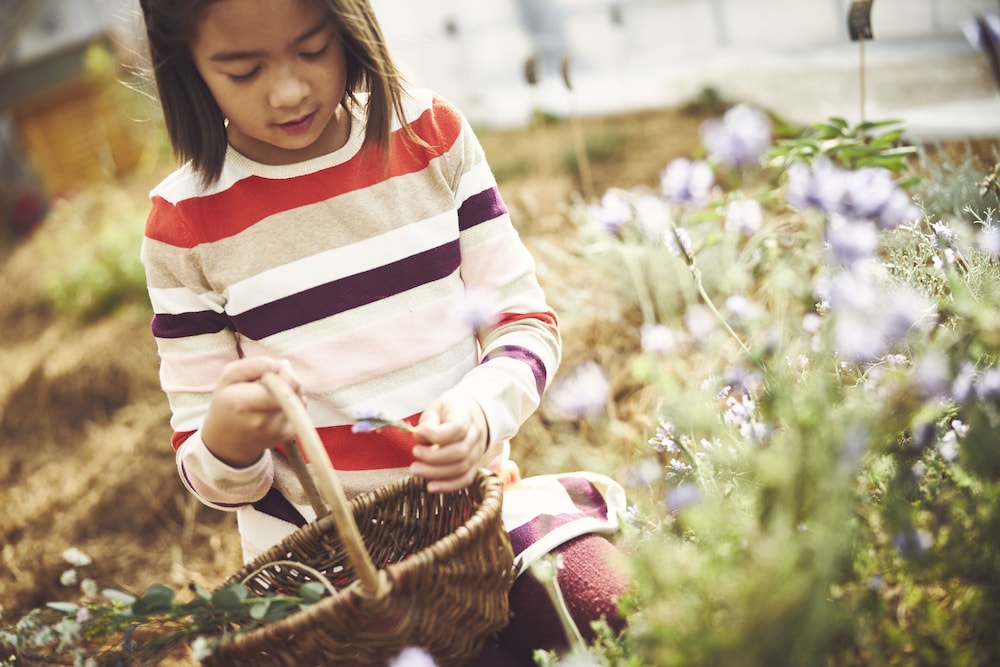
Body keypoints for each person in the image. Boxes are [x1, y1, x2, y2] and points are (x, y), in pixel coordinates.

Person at [138, 0, 628, 663]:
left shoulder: (431, 138)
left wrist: (480, 412)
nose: (287, 91)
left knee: (607, 614)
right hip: (335, 586)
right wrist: (227, 438)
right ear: (187, 67)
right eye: (242, 70)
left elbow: (526, 323)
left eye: (312, 51)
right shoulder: (186, 224)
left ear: (349, 26)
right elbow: (211, 469)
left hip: (481, 527)